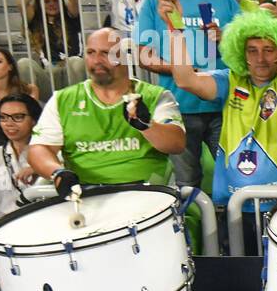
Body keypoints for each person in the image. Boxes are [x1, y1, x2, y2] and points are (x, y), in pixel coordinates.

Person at [166, 0, 277, 205]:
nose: (260, 58)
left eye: (268, 50)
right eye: (252, 51)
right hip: (235, 201)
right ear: (242, 54)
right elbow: (185, 80)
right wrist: (175, 27)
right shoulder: (230, 79)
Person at [136, 0, 240, 188]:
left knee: (237, 177)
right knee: (187, 183)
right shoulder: (154, 1)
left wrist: (224, 38)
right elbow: (143, 55)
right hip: (177, 107)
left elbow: (244, 50)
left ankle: (235, 227)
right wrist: (180, 69)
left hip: (224, 106)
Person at [28, 28, 186, 191]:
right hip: (84, 196)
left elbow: (176, 144)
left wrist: (148, 126)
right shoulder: (62, 100)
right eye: (91, 52)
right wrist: (58, 173)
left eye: (106, 53)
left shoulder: (156, 96)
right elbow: (40, 148)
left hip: (147, 193)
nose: (97, 60)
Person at [0, 94, 42, 239]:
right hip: (7, 234)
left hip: (45, 228)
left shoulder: (50, 154)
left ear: (34, 120)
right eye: (3, 117)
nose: (9, 123)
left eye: (18, 117)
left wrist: (42, 169)